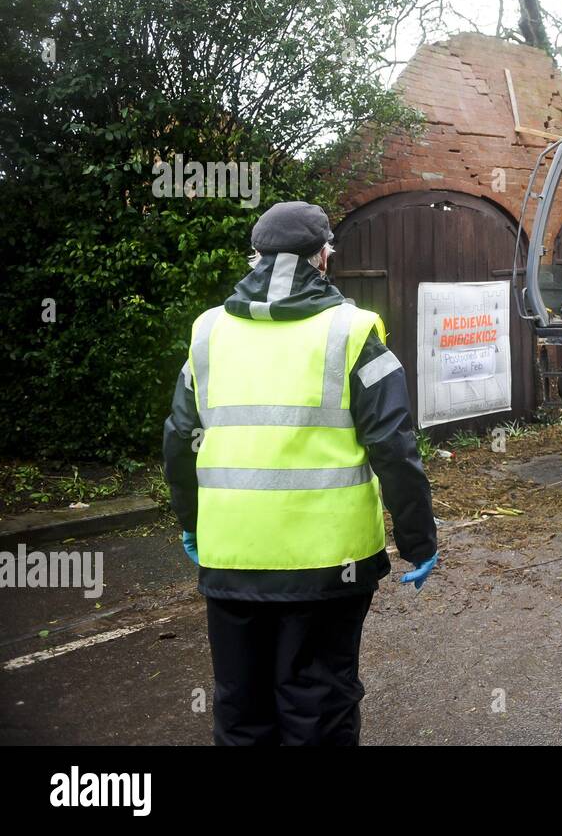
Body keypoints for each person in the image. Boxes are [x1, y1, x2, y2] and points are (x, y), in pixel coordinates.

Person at [162, 200, 438, 746]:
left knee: (240, 703)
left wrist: (192, 524)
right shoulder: (353, 332)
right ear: (324, 258)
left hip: (231, 555)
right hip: (328, 564)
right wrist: (417, 539)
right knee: (317, 700)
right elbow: (393, 446)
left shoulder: (208, 333)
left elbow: (179, 440)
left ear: (255, 256)